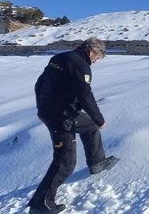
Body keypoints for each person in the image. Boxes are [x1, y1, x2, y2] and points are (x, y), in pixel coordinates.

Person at [28, 37, 119, 214]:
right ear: (92, 51)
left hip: (56, 111)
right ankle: (40, 204)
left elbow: (39, 84)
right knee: (66, 161)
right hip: (60, 117)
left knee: (89, 126)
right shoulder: (80, 65)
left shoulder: (60, 58)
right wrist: (99, 118)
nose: (96, 61)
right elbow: (85, 95)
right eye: (98, 58)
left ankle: (97, 163)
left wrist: (45, 106)